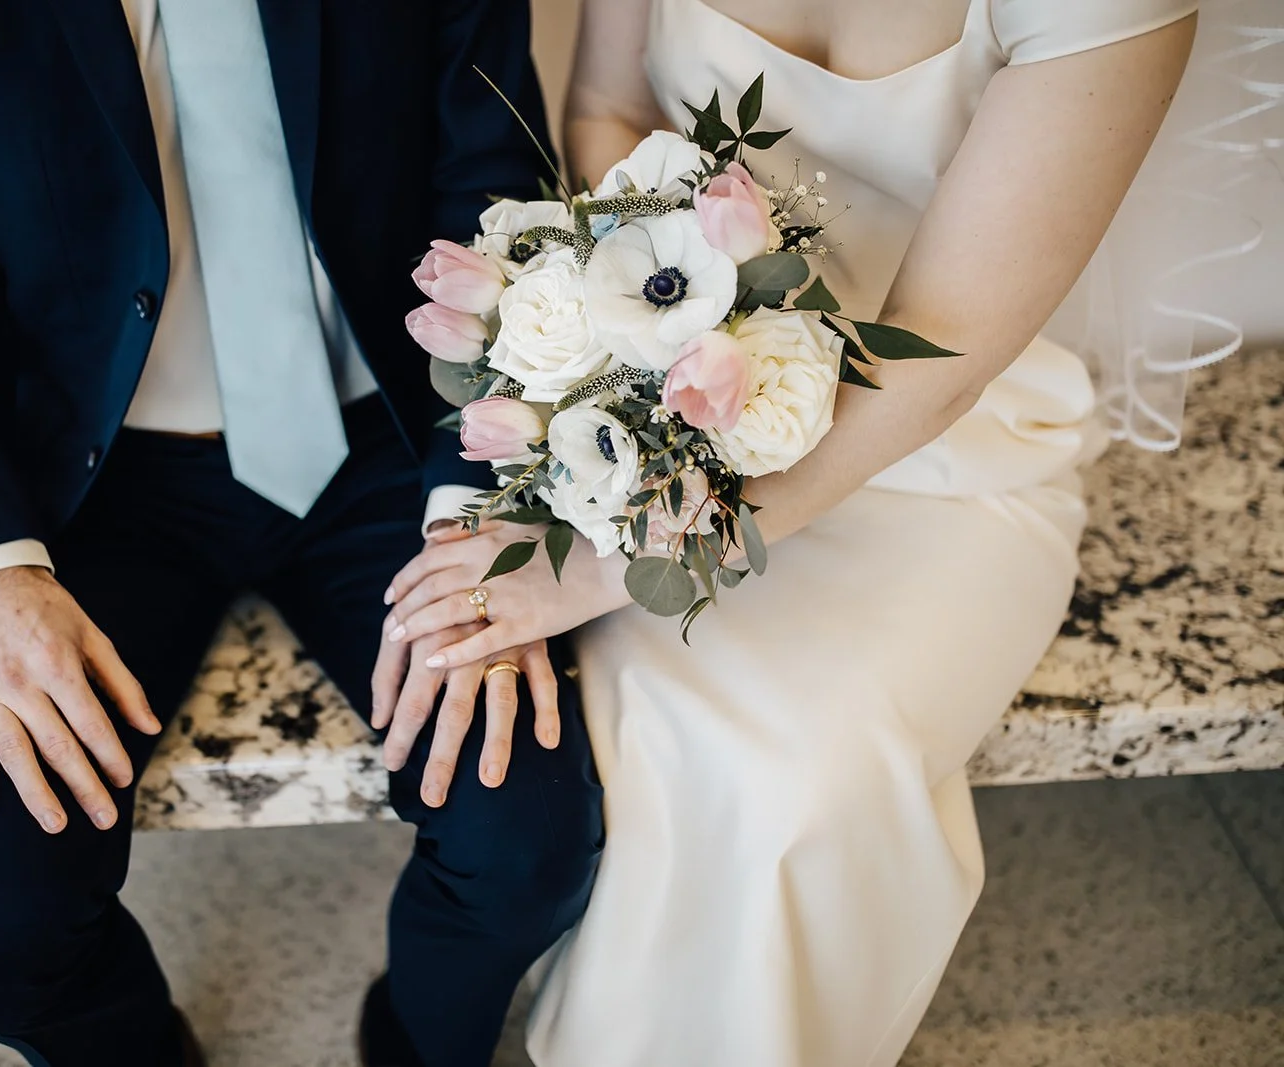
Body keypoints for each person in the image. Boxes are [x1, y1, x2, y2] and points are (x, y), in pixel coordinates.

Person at [380, 0, 1197, 1063]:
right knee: (648, 753)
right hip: (667, 424)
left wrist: (615, 564)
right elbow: (606, 108)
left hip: (936, 454)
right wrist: (635, 341)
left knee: (791, 785)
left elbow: (937, 354)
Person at [0, 2, 601, 1065]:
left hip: (394, 434)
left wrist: (471, 503)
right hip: (94, 468)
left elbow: (489, 186)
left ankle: (407, 1043)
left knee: (527, 846)